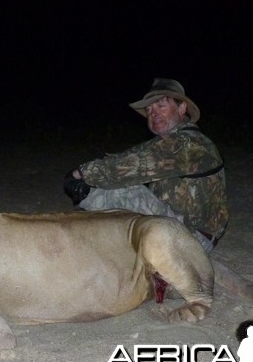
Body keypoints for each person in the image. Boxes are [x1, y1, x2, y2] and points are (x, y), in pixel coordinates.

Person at [64, 78, 228, 252]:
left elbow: (129, 167)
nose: (153, 112)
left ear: (181, 108)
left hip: (192, 240)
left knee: (119, 190)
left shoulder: (187, 144)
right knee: (115, 188)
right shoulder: (174, 140)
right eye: (149, 109)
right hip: (183, 230)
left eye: (160, 106)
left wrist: (80, 174)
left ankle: (76, 240)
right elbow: (131, 156)